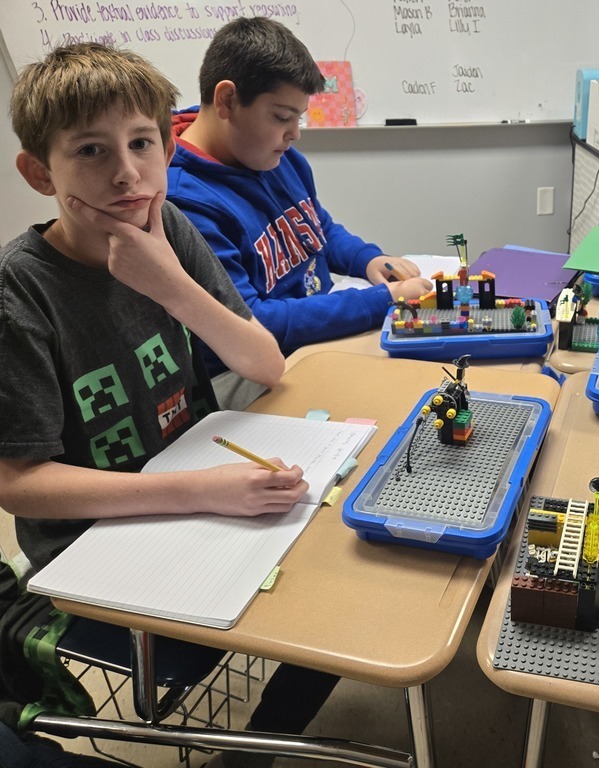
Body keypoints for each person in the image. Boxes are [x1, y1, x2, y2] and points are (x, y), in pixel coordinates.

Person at [0, 43, 318, 768]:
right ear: (39, 172)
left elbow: (263, 363)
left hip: (190, 487)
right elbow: (16, 482)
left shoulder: (166, 229)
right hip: (93, 545)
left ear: (167, 145)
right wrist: (202, 490)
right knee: (315, 606)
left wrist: (171, 284)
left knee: (342, 578)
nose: (127, 173)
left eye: (143, 143)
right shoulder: (21, 294)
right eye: (90, 151)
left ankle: (257, 743)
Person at [166, 16, 432, 410]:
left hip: (313, 336)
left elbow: (316, 226)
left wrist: (367, 259)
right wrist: (383, 300)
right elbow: (253, 321)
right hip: (245, 372)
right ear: (226, 101)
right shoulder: (183, 201)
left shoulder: (276, 156)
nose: (295, 134)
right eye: (281, 117)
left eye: (299, 117)